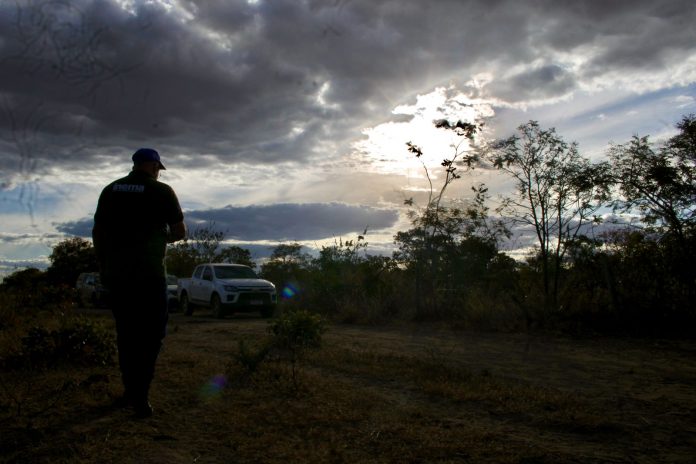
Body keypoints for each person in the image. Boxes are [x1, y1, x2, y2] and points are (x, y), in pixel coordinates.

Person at [92, 148, 186, 418]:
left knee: (127, 333)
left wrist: (104, 265)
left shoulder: (110, 190)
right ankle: (141, 396)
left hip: (118, 276)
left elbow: (98, 232)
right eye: (158, 167)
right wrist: (160, 239)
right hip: (150, 277)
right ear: (154, 165)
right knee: (151, 335)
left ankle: (129, 389)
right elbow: (179, 232)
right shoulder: (162, 191)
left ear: (135, 165)